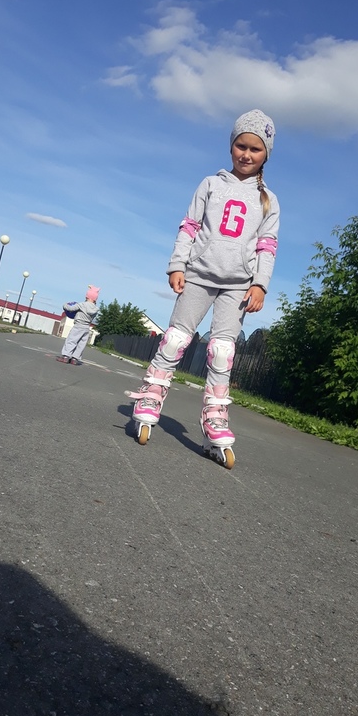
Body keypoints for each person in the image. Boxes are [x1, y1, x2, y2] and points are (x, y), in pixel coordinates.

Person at [126, 109, 280, 468]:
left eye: (255, 149)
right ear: (231, 146)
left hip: (238, 286)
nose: (246, 154)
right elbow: (190, 226)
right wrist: (177, 264)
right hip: (198, 274)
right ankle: (150, 395)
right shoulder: (210, 184)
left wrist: (260, 284)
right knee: (176, 339)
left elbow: (267, 246)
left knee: (223, 351)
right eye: (241, 146)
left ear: (266, 155)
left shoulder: (269, 200)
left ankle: (215, 416)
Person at [56, 285, 100, 365]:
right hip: (87, 327)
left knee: (71, 340)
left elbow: (70, 308)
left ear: (87, 296)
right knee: (81, 344)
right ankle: (75, 358)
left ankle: (66, 356)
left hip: (78, 325)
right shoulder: (95, 309)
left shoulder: (82, 305)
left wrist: (65, 305)